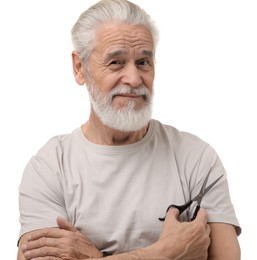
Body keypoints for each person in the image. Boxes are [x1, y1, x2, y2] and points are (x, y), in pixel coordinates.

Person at [17, 0, 241, 259]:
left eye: (143, 62)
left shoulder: (196, 157)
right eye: (116, 62)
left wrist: (93, 258)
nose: (134, 79)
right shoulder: (49, 167)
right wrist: (166, 252)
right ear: (80, 68)